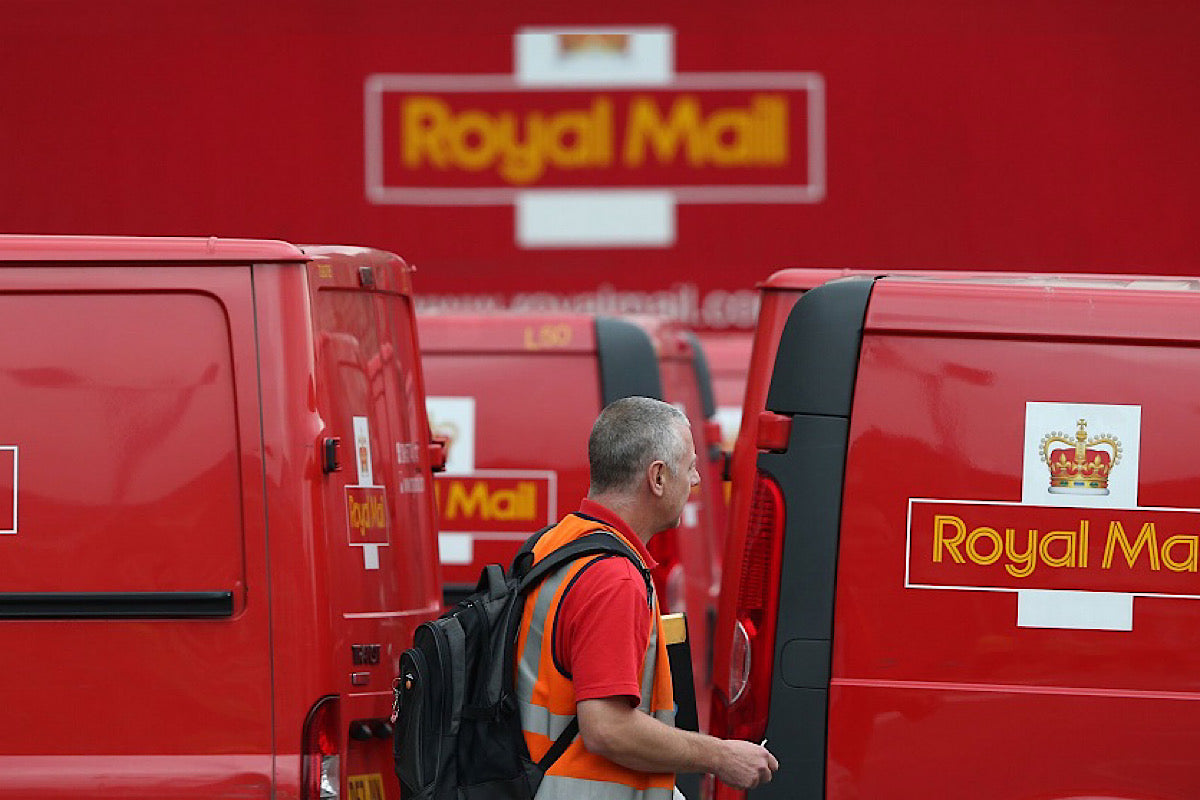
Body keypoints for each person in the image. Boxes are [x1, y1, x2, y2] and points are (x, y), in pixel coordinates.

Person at [515, 396, 779, 799]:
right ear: (657, 478)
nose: (695, 481)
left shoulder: (558, 543)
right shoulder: (613, 577)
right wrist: (720, 755)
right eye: (689, 467)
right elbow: (607, 728)